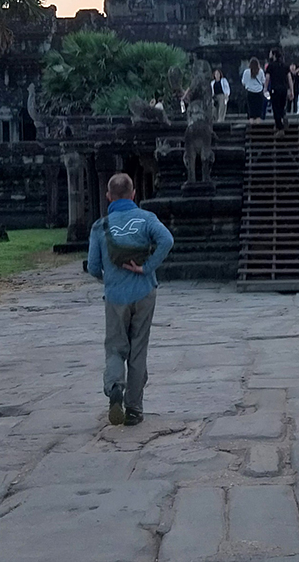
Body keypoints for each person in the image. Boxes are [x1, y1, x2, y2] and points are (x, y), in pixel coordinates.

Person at [87, 172, 175, 427]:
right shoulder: (146, 218)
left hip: (115, 296)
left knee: (115, 347)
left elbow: (93, 267)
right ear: (134, 194)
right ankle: (134, 408)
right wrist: (147, 267)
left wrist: (110, 278)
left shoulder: (99, 226)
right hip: (144, 292)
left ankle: (115, 387)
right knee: (138, 349)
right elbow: (166, 240)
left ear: (108, 196)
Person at [265, 46, 292, 135]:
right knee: (282, 106)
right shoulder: (285, 65)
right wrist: (291, 90)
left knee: (275, 108)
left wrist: (265, 89)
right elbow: (289, 78)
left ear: (274, 55)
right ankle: (283, 117)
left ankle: (280, 129)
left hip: (275, 89)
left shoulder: (271, 66)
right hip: (284, 89)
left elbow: (267, 78)